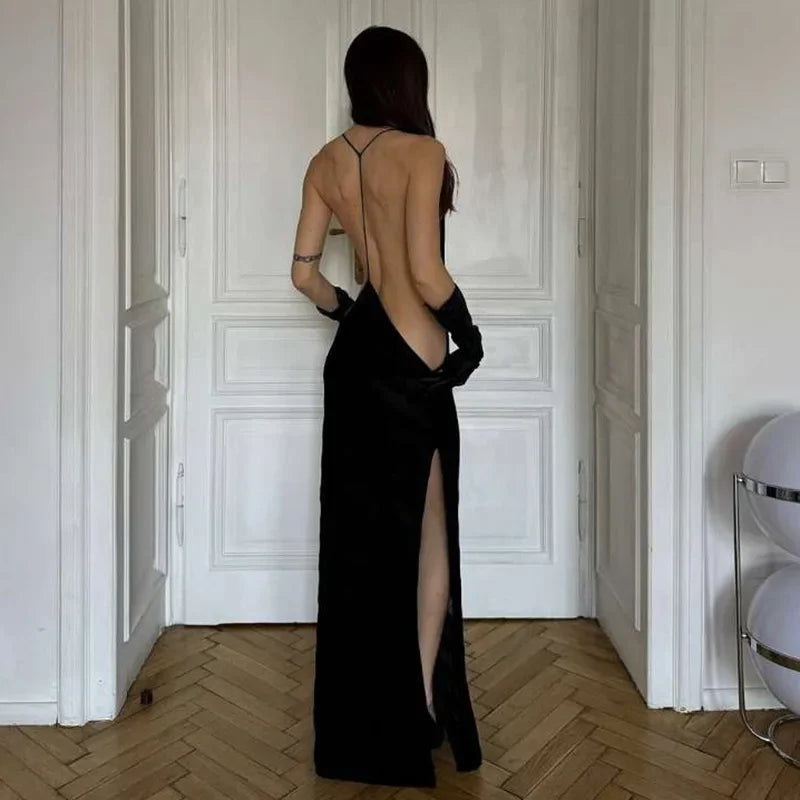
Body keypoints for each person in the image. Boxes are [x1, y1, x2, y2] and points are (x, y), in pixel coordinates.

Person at [290, 25, 483, 788]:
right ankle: (420, 707)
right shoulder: (422, 152)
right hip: (414, 363)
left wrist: (347, 311)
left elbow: (303, 275)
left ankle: (356, 732)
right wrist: (470, 334)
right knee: (428, 533)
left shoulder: (325, 160)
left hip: (356, 359)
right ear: (407, 82)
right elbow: (426, 274)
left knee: (358, 544)